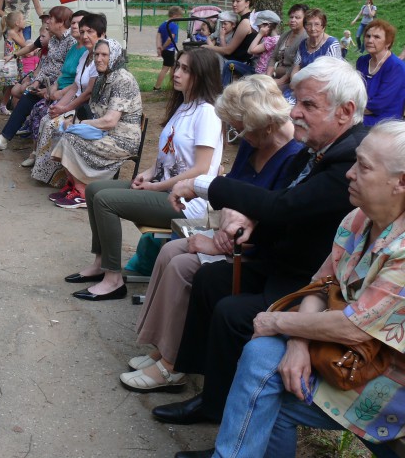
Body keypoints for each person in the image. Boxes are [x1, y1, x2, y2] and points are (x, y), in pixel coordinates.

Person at [153, 57, 367, 430]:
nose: (295, 113)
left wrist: (205, 184)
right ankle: (210, 395)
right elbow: (283, 197)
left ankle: (232, 413)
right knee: (209, 282)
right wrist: (248, 220)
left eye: (308, 105)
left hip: (308, 284)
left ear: (345, 111)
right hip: (280, 261)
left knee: (233, 314)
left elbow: (284, 206)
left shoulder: (349, 159)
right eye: (295, 102)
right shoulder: (318, 147)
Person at [202, 120, 405, 458]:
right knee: (265, 371)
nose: (349, 174)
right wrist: (298, 343)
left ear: (401, 183)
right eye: (355, 161)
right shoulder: (358, 219)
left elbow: (354, 328)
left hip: (388, 382)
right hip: (345, 357)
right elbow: (319, 285)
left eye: (363, 167)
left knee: (265, 379)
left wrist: (277, 322)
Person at [121, 76, 302, 392]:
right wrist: (220, 223)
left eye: (239, 128)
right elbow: (235, 190)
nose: (235, 137)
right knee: (169, 252)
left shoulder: (292, 157)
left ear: (266, 126)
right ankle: (164, 347)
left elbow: (270, 220)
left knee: (182, 266)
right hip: (226, 235)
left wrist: (221, 241)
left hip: (252, 252)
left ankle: (174, 364)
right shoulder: (254, 141)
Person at [64, 47, 223, 301]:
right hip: (165, 188)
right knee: (94, 190)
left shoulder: (207, 112)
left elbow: (201, 169)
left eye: (185, 69)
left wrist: (157, 187)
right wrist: (148, 175)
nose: (177, 73)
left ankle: (113, 279)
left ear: (202, 75)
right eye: (177, 66)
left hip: (187, 202)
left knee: (106, 201)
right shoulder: (184, 106)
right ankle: (100, 262)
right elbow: (168, 157)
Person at [51, 39, 143, 209]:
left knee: (71, 138)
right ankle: (72, 184)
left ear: (114, 56)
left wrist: (82, 124)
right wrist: (74, 122)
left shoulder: (123, 80)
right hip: (105, 133)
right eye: (96, 54)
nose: (99, 59)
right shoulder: (103, 78)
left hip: (122, 140)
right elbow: (94, 111)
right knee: (60, 131)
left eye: (104, 55)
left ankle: (82, 191)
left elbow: (110, 121)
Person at [0, 6, 75, 150]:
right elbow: (45, 63)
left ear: (61, 22)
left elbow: (68, 71)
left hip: (60, 87)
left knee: (32, 102)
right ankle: (3, 139)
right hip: (45, 82)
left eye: (50, 19)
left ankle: (35, 151)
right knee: (25, 98)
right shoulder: (54, 39)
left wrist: (52, 89)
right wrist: (36, 81)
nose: (47, 22)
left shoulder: (71, 41)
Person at [28, 10, 95, 180]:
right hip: (70, 98)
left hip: (87, 108)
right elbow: (75, 85)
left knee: (53, 124)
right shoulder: (83, 54)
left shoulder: (96, 57)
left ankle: (58, 177)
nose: (82, 32)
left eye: (86, 30)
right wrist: (59, 106)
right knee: (45, 118)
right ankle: (43, 171)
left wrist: (62, 106)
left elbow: (87, 93)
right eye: (78, 27)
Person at [356, 19, 405, 126]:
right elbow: (354, 91)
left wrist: (350, 111)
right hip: (359, 114)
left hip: (383, 123)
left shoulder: (396, 67)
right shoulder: (362, 61)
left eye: (376, 37)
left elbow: (377, 106)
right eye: (367, 36)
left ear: (388, 43)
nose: (370, 40)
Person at [207, 0, 256, 86]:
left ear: (247, 3)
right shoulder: (247, 18)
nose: (234, 4)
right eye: (233, 1)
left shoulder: (245, 22)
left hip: (240, 63)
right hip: (234, 59)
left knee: (207, 57)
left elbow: (228, 50)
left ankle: (218, 91)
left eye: (238, 1)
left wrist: (209, 47)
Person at [266, 4, 308, 102]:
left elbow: (297, 65)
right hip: (274, 74)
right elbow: (273, 57)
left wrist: (280, 81)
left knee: (267, 94)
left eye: (297, 18)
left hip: (289, 80)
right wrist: (268, 77)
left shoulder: (305, 38)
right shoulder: (285, 35)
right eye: (291, 17)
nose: (293, 20)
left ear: (305, 20)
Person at [290, 8, 341, 76]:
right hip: (301, 83)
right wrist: (294, 81)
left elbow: (332, 74)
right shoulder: (303, 44)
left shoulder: (332, 44)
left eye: (317, 24)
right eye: (309, 24)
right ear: (305, 26)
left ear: (323, 26)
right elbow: (295, 69)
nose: (313, 28)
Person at [0, 12, 28, 115]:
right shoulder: (12, 33)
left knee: (12, 85)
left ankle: (6, 104)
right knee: (11, 85)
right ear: (17, 23)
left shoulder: (14, 32)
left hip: (15, 62)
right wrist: (21, 32)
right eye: (23, 19)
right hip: (11, 63)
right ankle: (4, 105)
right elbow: (24, 45)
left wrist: (21, 32)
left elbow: (24, 44)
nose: (25, 21)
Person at [153, 6, 184, 92]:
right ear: (174, 16)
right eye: (180, 16)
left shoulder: (163, 25)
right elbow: (171, 38)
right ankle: (157, 87)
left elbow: (158, 36)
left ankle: (173, 85)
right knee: (165, 69)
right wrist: (163, 47)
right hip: (169, 50)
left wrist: (159, 47)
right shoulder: (174, 26)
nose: (181, 18)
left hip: (165, 50)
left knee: (173, 67)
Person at [247, 10, 281, 75]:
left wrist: (260, 34)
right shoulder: (270, 39)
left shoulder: (273, 41)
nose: (259, 29)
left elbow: (250, 50)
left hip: (262, 74)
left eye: (259, 27)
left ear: (267, 25)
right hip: (258, 71)